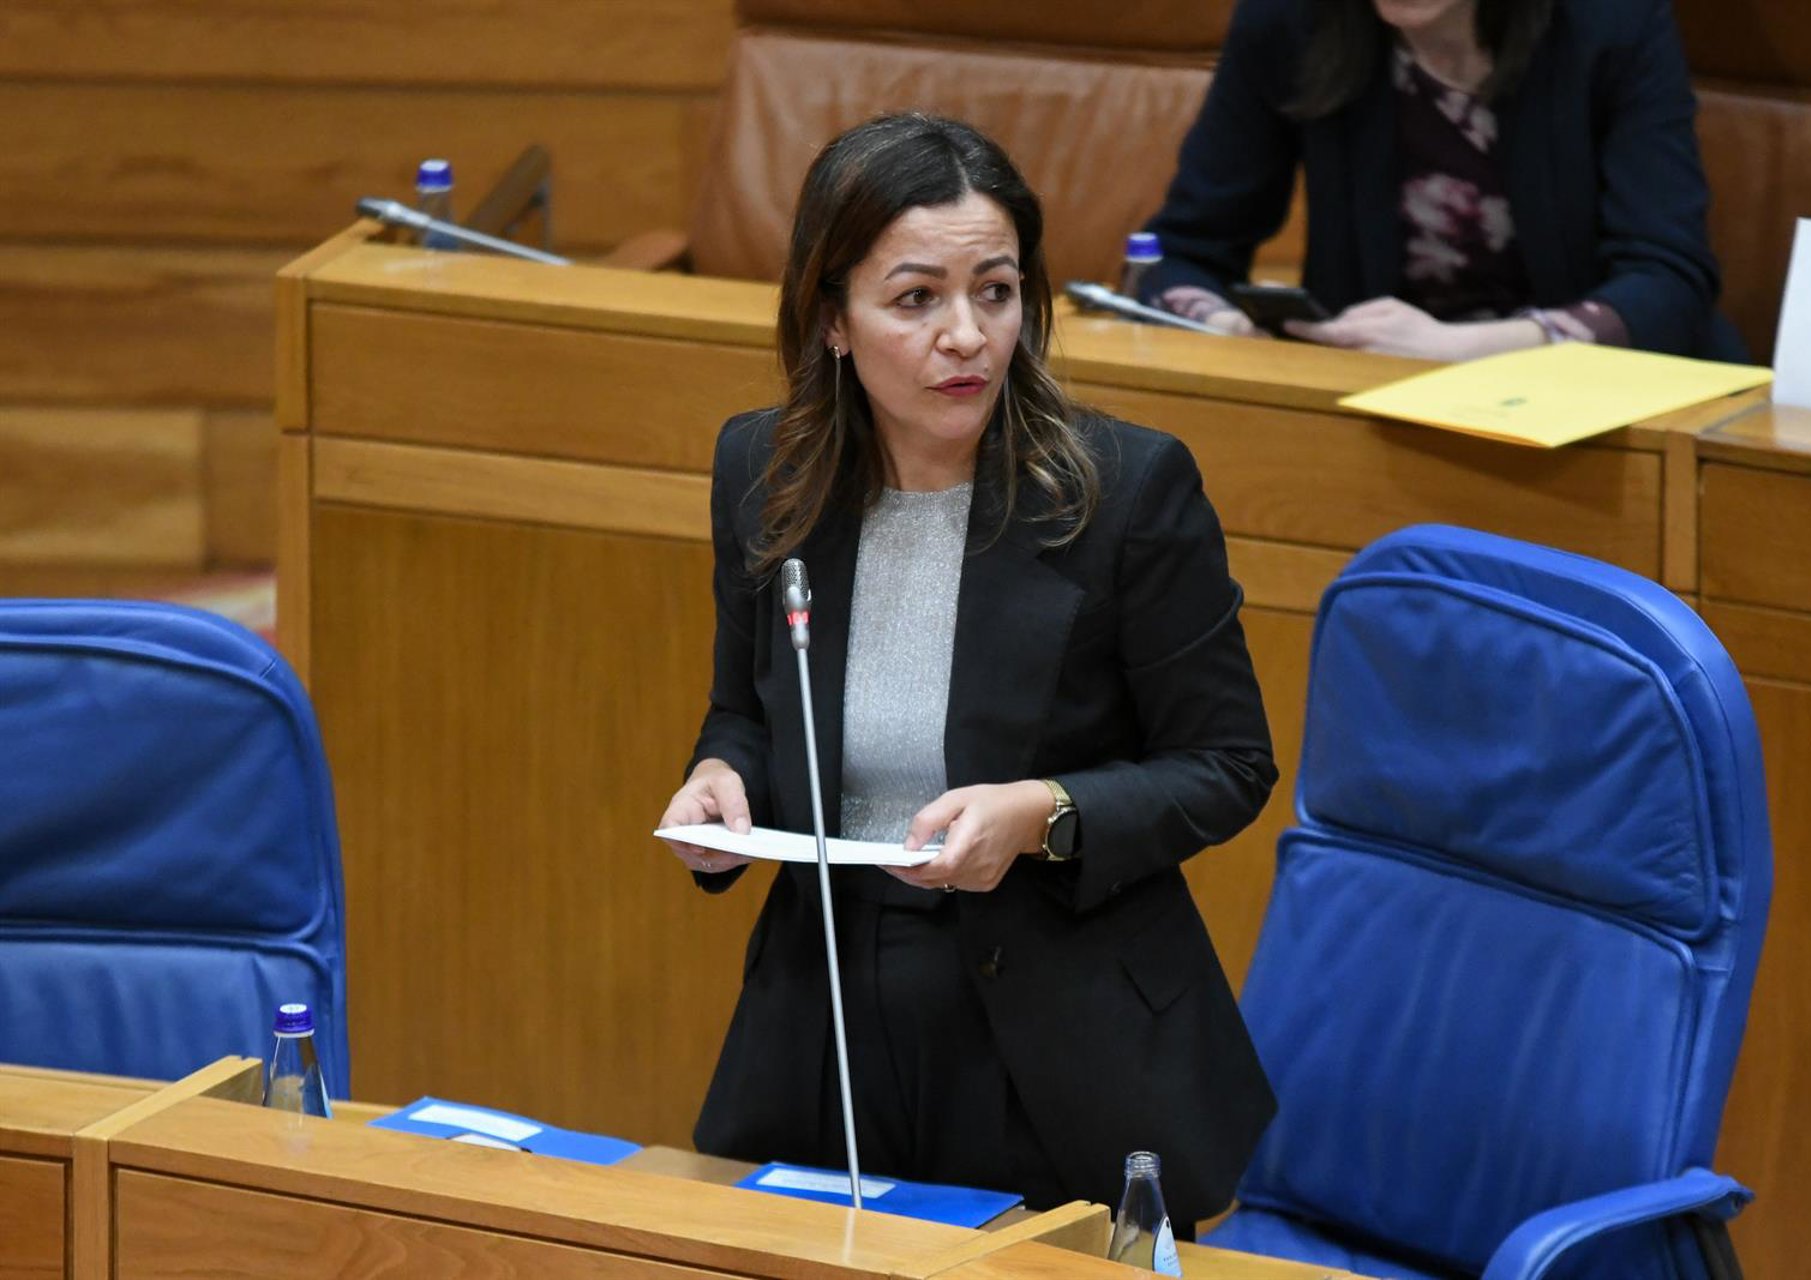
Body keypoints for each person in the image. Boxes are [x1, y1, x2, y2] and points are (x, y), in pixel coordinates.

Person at [656, 113, 1278, 1225]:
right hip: (828, 1004)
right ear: (831, 318)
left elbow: (1228, 762)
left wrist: (1046, 813)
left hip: (1063, 1029)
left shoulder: (1126, 492)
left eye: (995, 291)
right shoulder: (763, 468)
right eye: (915, 300)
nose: (967, 336)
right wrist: (721, 778)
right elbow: (744, 707)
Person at [1145, 0, 1747, 361]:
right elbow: (1179, 253)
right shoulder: (1291, 20)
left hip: (1593, 408)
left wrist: (1458, 349)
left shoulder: (1612, 20)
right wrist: (1225, 324)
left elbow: (1670, 280)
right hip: (1374, 398)